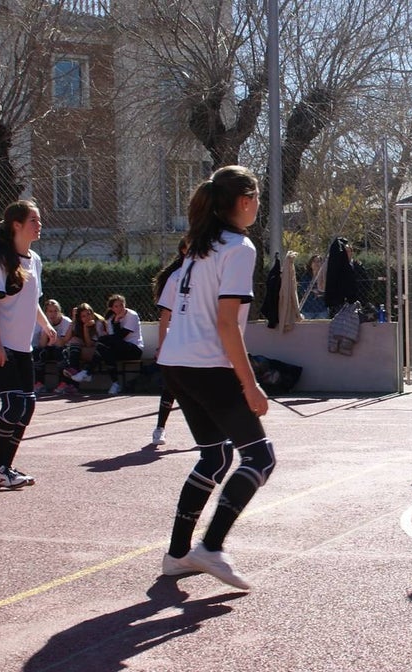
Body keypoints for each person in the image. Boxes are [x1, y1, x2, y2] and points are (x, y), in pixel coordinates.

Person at [158, 165, 276, 591]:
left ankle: (176, 555)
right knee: (260, 458)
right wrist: (250, 384)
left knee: (214, 457)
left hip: (176, 364)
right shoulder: (239, 248)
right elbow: (227, 325)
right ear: (244, 202)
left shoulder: (198, 247)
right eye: (257, 198)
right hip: (208, 365)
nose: (258, 206)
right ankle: (210, 546)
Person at [0, 200, 56, 489]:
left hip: (22, 347)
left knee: (28, 406)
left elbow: (32, 299)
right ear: (17, 225)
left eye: (39, 219)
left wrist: (45, 324)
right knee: (13, 405)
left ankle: (5, 467)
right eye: (33, 220)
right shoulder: (1, 260)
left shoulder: (34, 259)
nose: (39, 224)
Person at [149, 239, 188, 445]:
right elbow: (165, 315)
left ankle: (209, 433)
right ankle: (160, 428)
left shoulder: (208, 274)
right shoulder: (175, 278)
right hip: (178, 340)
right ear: (183, 250)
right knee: (171, 385)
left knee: (202, 385)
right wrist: (162, 345)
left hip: (198, 339)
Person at [97, 293, 144, 394]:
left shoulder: (132, 315)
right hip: (118, 349)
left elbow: (119, 336)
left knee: (103, 341)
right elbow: (113, 338)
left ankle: (87, 371)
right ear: (112, 308)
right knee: (102, 348)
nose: (120, 308)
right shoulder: (110, 319)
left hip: (134, 349)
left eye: (122, 305)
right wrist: (115, 321)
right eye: (116, 306)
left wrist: (117, 322)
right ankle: (115, 383)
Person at [57, 303, 108, 394]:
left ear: (92, 313)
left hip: (97, 351)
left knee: (72, 352)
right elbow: (64, 340)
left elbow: (89, 344)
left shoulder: (98, 322)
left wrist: (85, 328)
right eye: (83, 316)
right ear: (80, 318)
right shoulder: (78, 324)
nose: (87, 317)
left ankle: (70, 382)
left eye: (89, 314)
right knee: (70, 348)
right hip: (82, 351)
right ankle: (73, 380)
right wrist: (73, 320)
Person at [32, 299, 73, 393]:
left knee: (60, 352)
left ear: (60, 312)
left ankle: (63, 384)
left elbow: (61, 343)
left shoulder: (66, 322)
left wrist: (50, 331)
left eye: (55, 311)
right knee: (38, 353)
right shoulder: (41, 322)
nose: (53, 314)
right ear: (45, 313)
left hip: (62, 348)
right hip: (47, 347)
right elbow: (42, 345)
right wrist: (47, 326)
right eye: (50, 311)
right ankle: (39, 383)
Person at [299, 253, 329, 319]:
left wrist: (318, 291)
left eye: (318, 261)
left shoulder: (325, 277)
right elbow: (302, 290)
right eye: (314, 261)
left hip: (322, 310)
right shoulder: (306, 277)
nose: (316, 263)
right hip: (307, 310)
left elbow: (328, 291)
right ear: (310, 264)